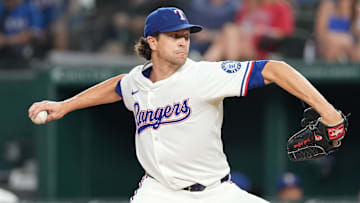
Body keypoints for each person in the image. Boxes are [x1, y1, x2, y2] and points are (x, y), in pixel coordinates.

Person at [28, 7, 344, 203]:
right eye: (174, 36)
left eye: (186, 36)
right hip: (160, 193)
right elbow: (118, 86)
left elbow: (277, 69)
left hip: (215, 193)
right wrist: (64, 106)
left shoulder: (204, 74)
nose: (183, 42)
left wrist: (329, 113)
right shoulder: (138, 81)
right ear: (152, 41)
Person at [204, 0, 294, 61]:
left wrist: (264, 30)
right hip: (238, 44)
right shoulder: (247, 6)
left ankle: (205, 65)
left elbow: (283, 33)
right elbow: (238, 28)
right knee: (224, 40)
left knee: (229, 31)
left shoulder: (279, 7)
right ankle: (230, 65)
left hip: (258, 48)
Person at [0, 0, 42, 69]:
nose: (8, 3)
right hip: (4, 52)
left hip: (25, 52)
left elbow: (32, 35)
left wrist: (6, 40)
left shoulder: (30, 7)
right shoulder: (1, 8)